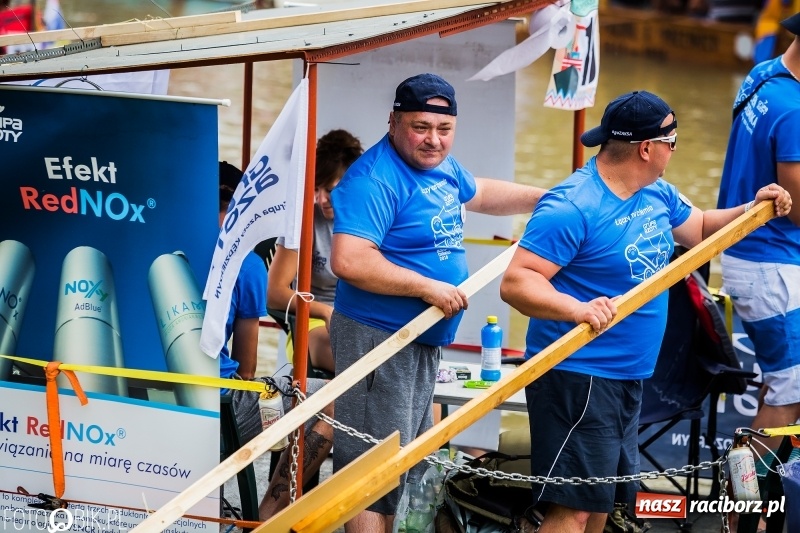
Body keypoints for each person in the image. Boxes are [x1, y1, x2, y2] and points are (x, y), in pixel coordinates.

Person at [499, 90, 792, 533]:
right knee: (571, 509)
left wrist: (755, 209)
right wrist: (577, 308)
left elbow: (700, 229)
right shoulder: (572, 205)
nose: (674, 151)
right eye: (673, 143)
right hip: (579, 376)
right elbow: (517, 281)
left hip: (628, 375)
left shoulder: (655, 192)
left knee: (599, 506)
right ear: (647, 148)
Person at [329, 72, 547, 532]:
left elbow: (482, 193)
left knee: (401, 462)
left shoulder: (441, 167)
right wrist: (427, 287)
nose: (433, 140)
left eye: (443, 129)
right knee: (372, 470)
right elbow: (349, 260)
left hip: (419, 339)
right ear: (393, 122)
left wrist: (545, 200)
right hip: (379, 337)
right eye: (420, 127)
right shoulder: (375, 178)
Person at [215, 161, 334, 520]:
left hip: (153, 402)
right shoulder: (246, 265)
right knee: (336, 402)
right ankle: (265, 517)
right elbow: (247, 368)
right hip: (219, 411)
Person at [717, 13, 800, 455]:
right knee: (790, 398)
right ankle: (746, 518)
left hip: (748, 252)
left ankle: (747, 513)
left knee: (779, 388)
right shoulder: (795, 110)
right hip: (772, 265)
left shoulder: (763, 74)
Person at [267, 129, 363, 375]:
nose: (321, 200)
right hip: (312, 324)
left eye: (330, 190)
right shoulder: (303, 220)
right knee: (363, 368)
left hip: (363, 323)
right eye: (316, 189)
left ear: (356, 183)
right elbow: (273, 293)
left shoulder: (374, 218)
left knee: (420, 378)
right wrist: (325, 311)